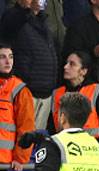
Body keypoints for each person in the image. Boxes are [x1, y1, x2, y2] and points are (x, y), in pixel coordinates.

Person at [0, 0, 58, 130]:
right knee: (22, 142)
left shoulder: (43, 21)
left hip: (45, 94)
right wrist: (23, 8)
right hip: (26, 93)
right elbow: (8, 30)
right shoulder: (13, 16)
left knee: (35, 144)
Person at [49, 51, 99, 150]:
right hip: (63, 150)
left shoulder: (97, 92)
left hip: (90, 151)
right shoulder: (57, 93)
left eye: (72, 64)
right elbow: (51, 127)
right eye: (66, 63)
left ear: (83, 71)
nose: (65, 67)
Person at [0, 41, 34, 171]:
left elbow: (26, 127)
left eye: (11, 57)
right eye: (2, 57)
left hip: (5, 164)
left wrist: (20, 158)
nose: (8, 61)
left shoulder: (19, 90)